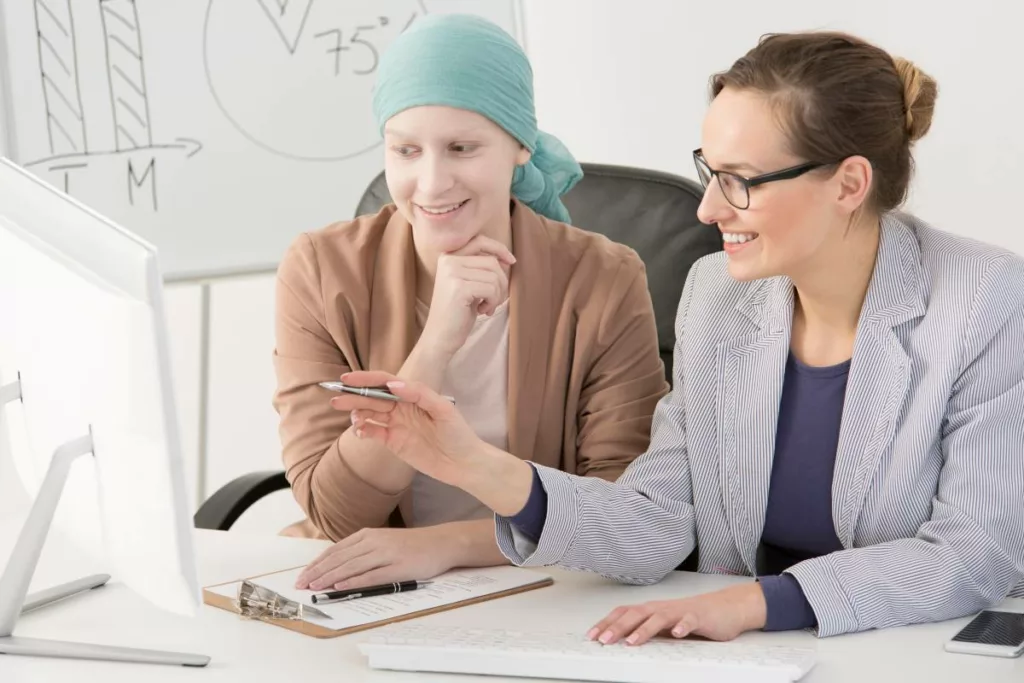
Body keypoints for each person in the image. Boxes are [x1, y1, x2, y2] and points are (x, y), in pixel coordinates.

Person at [331, 30, 1024, 643]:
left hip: (903, 651)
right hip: (740, 653)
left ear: (848, 184)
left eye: (739, 181)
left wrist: (762, 601)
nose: (707, 207)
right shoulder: (717, 294)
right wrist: (471, 463)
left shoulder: (984, 299)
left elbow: (972, 551)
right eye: (708, 170)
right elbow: (656, 519)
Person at [271, 15, 668, 593]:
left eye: (462, 148)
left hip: (542, 589)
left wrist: (445, 546)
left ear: (519, 146)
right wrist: (435, 344)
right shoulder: (319, 270)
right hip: (370, 592)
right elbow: (337, 515)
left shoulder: (603, 278)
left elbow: (616, 512)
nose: (430, 183)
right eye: (406, 151)